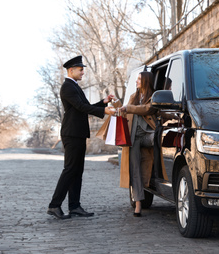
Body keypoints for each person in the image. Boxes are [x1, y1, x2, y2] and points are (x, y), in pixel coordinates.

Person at [47, 55, 116, 219]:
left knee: (77, 171)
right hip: (71, 134)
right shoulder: (68, 87)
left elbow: (85, 107)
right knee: (70, 170)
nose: (83, 72)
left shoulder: (74, 86)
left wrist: (103, 102)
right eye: (80, 69)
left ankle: (74, 206)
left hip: (77, 134)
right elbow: (80, 106)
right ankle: (54, 205)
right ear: (71, 70)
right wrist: (103, 111)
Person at [120, 72, 157, 217]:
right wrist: (119, 105)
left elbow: (147, 109)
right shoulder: (133, 97)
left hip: (148, 134)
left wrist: (128, 108)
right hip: (134, 137)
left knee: (158, 139)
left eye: (140, 79)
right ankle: (138, 203)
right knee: (134, 168)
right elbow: (125, 110)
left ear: (146, 81)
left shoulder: (153, 97)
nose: (137, 81)